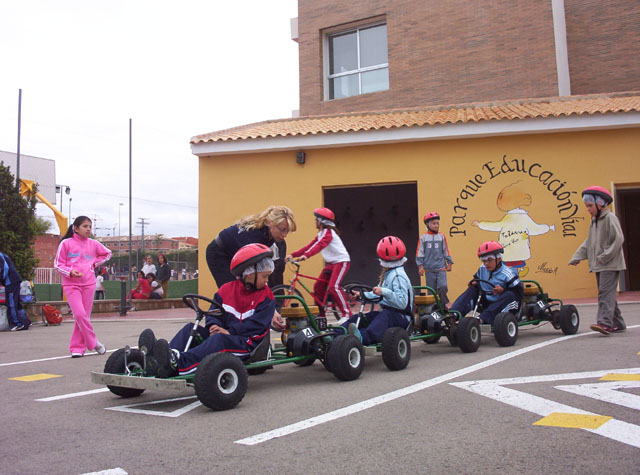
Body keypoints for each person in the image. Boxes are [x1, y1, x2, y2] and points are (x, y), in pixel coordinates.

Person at [140, 243, 276, 378]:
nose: (267, 281)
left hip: (246, 344)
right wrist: (213, 326)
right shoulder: (226, 290)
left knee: (219, 340)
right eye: (264, 276)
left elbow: (257, 326)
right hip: (223, 335)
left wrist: (229, 332)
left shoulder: (266, 296)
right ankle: (160, 361)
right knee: (190, 329)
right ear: (249, 273)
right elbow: (213, 312)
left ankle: (179, 363)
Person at [569, 186, 626, 335]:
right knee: (608, 293)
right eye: (586, 206)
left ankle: (605, 323)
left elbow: (618, 239)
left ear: (600, 204)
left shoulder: (610, 218)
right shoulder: (594, 221)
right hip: (599, 265)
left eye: (590, 206)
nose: (588, 209)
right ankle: (618, 323)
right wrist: (577, 257)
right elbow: (589, 242)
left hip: (610, 264)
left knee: (605, 293)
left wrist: (604, 256)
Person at [339, 236, 413, 345]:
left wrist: (383, 291)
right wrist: (361, 295)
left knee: (383, 318)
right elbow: (377, 295)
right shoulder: (388, 274)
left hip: (402, 317)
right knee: (363, 317)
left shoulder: (398, 276)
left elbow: (402, 303)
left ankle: (362, 337)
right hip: (388, 313)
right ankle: (336, 333)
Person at [54, 216, 111, 357]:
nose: (88, 229)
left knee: (84, 317)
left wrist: (93, 264)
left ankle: (77, 348)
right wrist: (69, 272)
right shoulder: (66, 243)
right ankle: (94, 343)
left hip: (89, 284)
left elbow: (108, 254)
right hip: (71, 284)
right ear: (76, 228)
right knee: (79, 314)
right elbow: (57, 264)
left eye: (90, 227)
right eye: (85, 226)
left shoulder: (93, 243)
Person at [205, 205, 297, 289]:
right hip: (219, 252)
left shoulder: (275, 239)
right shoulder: (255, 236)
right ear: (269, 223)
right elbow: (251, 269)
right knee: (232, 291)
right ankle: (219, 306)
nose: (285, 235)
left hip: (236, 251)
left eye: (287, 231)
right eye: (282, 230)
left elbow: (275, 270)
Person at [287, 207, 352, 319]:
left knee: (333, 287)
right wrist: (293, 255)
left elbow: (320, 246)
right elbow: (309, 246)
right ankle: (320, 316)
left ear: (321, 221)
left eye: (316, 219)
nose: (314, 222)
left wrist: (306, 256)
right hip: (331, 264)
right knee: (318, 287)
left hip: (341, 261)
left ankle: (347, 313)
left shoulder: (328, 233)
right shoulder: (321, 233)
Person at [449, 241, 522, 324]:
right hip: (487, 301)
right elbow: (477, 278)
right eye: (484, 261)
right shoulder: (482, 268)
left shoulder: (508, 274)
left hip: (504, 305)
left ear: (499, 258)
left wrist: (503, 289)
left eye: (489, 260)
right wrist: (475, 283)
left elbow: (518, 292)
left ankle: (483, 318)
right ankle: (454, 314)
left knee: (510, 294)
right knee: (472, 289)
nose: (486, 264)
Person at [416, 212, 454, 306]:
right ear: (428, 224)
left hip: (441, 267)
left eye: (437, 223)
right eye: (434, 223)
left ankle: (444, 303)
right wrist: (420, 266)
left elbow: (446, 250)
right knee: (431, 291)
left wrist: (449, 263)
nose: (436, 225)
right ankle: (433, 308)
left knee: (442, 286)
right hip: (429, 269)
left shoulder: (441, 236)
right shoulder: (423, 238)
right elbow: (419, 253)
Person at [0, 251, 29, 331]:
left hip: (11, 281)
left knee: (11, 302)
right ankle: (25, 321)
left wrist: (1, 278)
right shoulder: (3, 255)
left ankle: (17, 323)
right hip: (12, 281)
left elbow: (4, 269)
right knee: (15, 302)